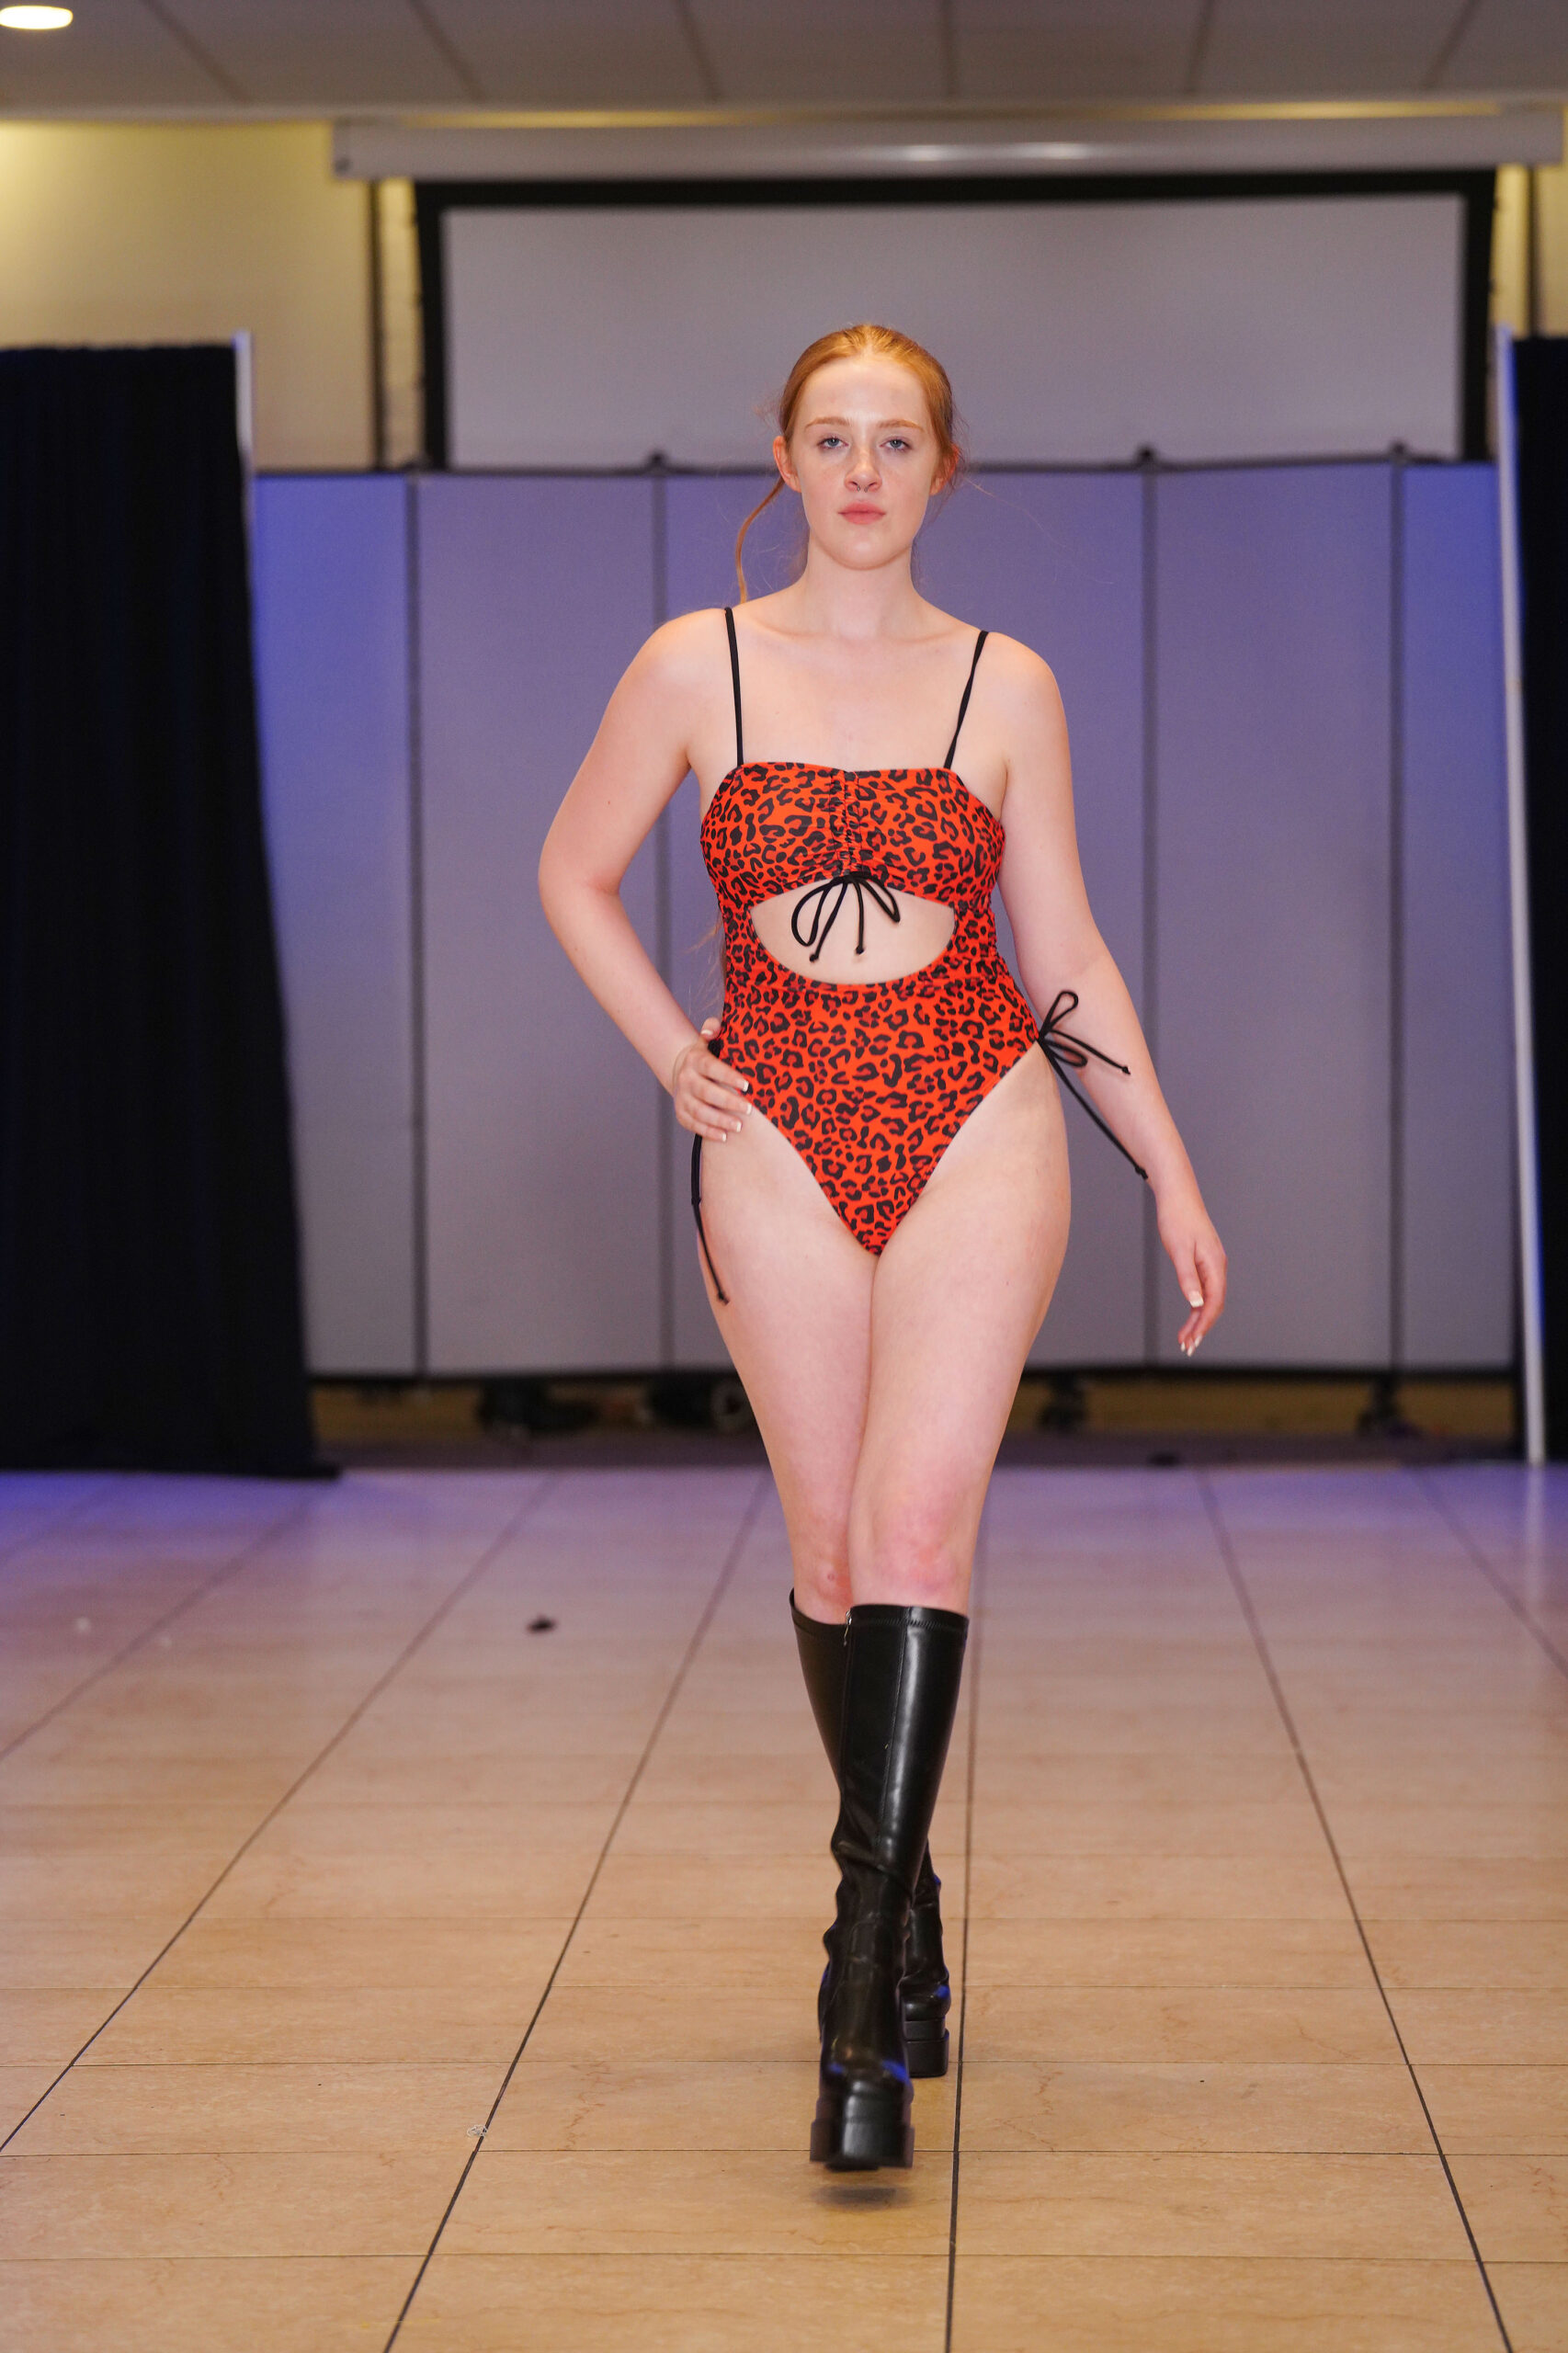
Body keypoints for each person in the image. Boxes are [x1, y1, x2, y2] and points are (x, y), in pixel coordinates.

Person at [539, 322, 1226, 2173]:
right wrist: (666, 1048)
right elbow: (569, 871)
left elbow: (1061, 949)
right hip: (768, 1118)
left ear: (941, 466)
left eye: (896, 439)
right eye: (831, 438)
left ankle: (855, 1995)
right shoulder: (694, 663)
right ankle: (907, 1903)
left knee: (919, 1533)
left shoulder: (1007, 683)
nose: (862, 470)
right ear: (783, 458)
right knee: (834, 1550)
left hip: (976, 1106)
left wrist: (1166, 1165)